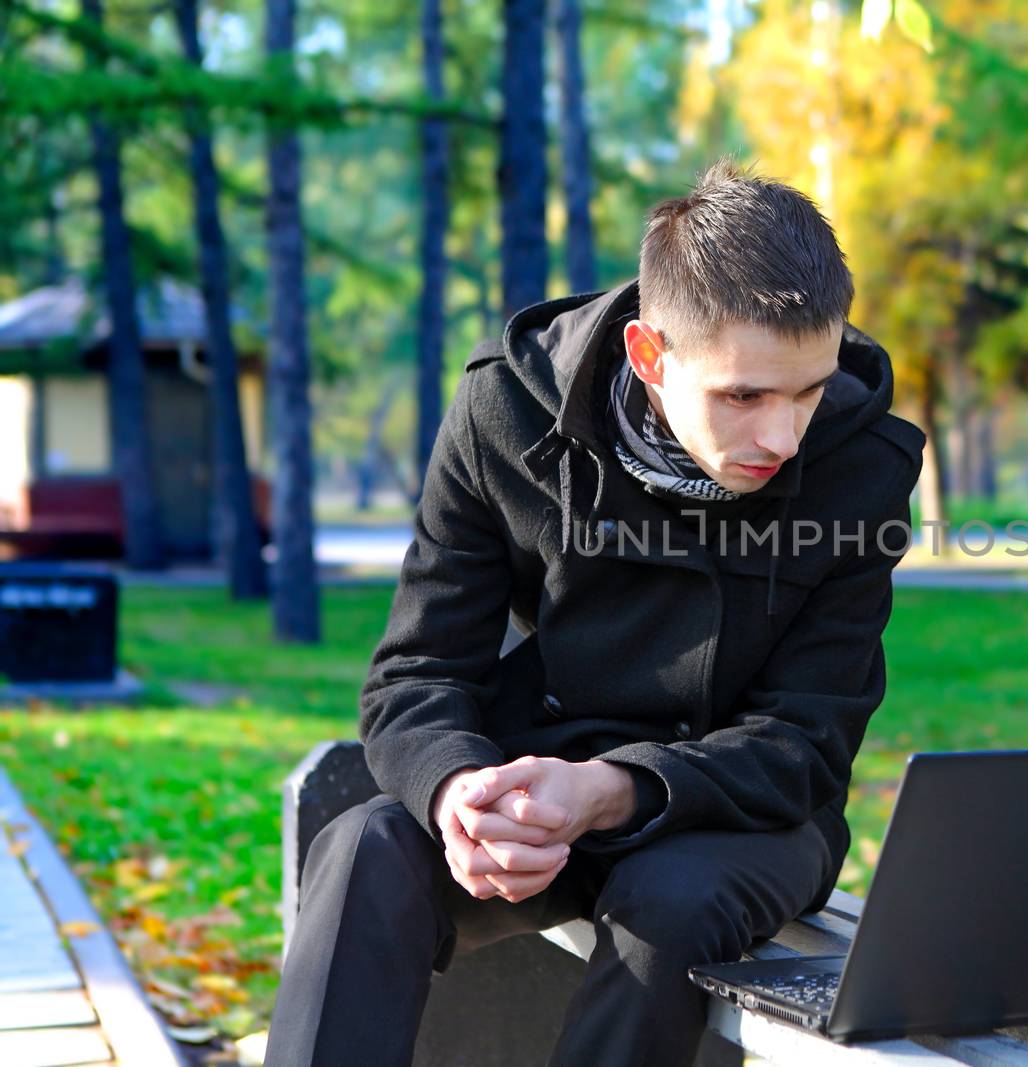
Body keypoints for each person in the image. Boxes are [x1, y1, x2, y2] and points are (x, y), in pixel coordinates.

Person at [262, 157, 924, 1067]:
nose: (783, 434)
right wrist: (460, 790)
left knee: (670, 902)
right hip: (543, 773)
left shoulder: (865, 465)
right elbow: (416, 674)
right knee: (364, 845)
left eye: (809, 390)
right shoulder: (504, 408)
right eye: (744, 395)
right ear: (650, 356)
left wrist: (615, 790)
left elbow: (806, 744)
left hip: (744, 815)